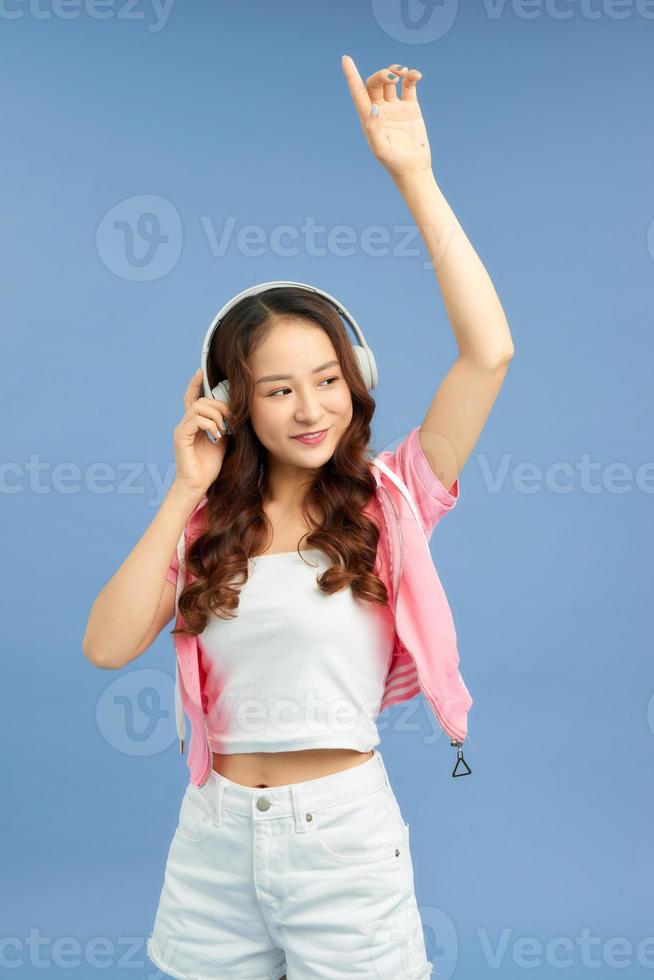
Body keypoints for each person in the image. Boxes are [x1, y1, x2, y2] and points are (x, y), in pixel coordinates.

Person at [83, 56, 514, 980]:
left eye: (329, 382)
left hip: (344, 844)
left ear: (357, 384)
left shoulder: (393, 498)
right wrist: (181, 491)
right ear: (236, 402)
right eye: (280, 389)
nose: (313, 408)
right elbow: (108, 647)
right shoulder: (205, 527)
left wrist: (415, 175)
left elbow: (489, 354)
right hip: (212, 844)